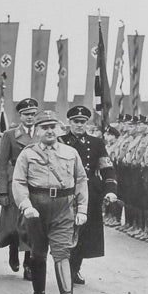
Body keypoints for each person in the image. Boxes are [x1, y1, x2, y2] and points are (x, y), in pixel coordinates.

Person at [11, 110, 89, 294]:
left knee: (62, 251)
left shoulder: (70, 153)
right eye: (44, 127)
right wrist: (26, 205)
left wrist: (82, 209)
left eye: (52, 127)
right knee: (38, 253)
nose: (49, 131)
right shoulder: (27, 154)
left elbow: (81, 180)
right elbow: (19, 182)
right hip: (36, 207)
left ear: (59, 129)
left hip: (63, 206)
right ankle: (39, 293)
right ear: (37, 131)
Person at [59, 105, 118, 284]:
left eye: (82, 122)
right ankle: (65, 267)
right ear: (69, 123)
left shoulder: (96, 143)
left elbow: (107, 168)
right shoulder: (60, 141)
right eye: (76, 122)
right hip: (65, 192)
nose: (79, 125)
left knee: (85, 232)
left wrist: (110, 191)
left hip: (90, 191)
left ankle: (75, 268)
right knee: (65, 231)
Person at [0, 98, 40, 278]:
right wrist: (2, 191)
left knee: (32, 224)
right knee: (14, 226)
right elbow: (1, 165)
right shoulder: (10, 135)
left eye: (33, 114)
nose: (30, 118)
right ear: (20, 116)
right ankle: (13, 250)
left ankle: (28, 263)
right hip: (14, 182)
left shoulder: (41, 133)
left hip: (35, 182)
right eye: (26, 114)